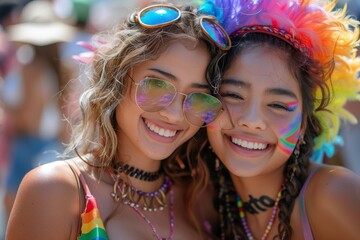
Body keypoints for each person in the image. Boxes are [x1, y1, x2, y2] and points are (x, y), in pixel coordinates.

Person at [6, 2, 231, 239]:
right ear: (118, 80)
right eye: (156, 85)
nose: (174, 114)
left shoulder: (201, 203)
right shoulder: (55, 191)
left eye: (199, 97)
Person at [198, 0, 360, 239]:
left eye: (278, 105)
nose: (252, 120)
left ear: (305, 123)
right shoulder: (201, 206)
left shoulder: (333, 193)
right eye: (233, 95)